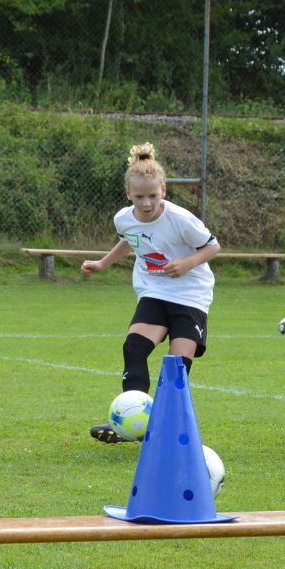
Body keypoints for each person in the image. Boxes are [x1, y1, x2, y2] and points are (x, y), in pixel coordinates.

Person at [81, 143, 221, 443]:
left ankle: (162, 428)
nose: (147, 204)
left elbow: (213, 246)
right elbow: (130, 240)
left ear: (164, 191)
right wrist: (102, 263)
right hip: (154, 291)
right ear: (128, 193)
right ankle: (132, 421)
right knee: (134, 347)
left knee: (176, 368)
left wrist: (187, 263)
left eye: (153, 196)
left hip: (191, 295)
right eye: (140, 197)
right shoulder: (123, 218)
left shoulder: (180, 219)